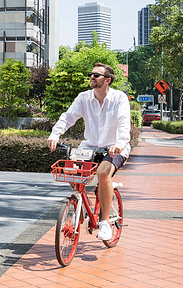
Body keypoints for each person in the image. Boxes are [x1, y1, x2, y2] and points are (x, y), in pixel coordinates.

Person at [47, 62, 131, 241]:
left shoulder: (119, 98)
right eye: (90, 74)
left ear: (107, 80)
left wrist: (120, 143)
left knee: (102, 173)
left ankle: (105, 223)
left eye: (96, 75)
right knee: (70, 171)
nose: (91, 77)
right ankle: (82, 206)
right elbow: (68, 117)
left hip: (114, 148)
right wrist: (55, 134)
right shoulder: (84, 98)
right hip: (89, 147)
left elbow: (124, 122)